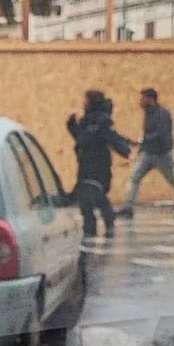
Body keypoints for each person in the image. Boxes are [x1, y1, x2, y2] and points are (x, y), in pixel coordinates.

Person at [116, 88, 174, 221]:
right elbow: (148, 134)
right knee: (135, 177)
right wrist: (141, 150)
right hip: (148, 153)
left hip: (162, 154)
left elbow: (161, 134)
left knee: (173, 180)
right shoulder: (149, 113)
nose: (140, 102)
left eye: (143, 98)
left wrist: (142, 142)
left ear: (150, 99)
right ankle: (128, 207)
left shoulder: (162, 114)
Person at [66, 90, 131, 238]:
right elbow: (81, 138)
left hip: (99, 164)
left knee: (96, 194)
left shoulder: (102, 121)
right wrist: (71, 125)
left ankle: (105, 223)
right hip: (85, 163)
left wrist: (125, 150)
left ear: (92, 102)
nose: (84, 103)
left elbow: (111, 137)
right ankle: (92, 226)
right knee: (87, 196)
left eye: (86, 100)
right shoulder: (86, 121)